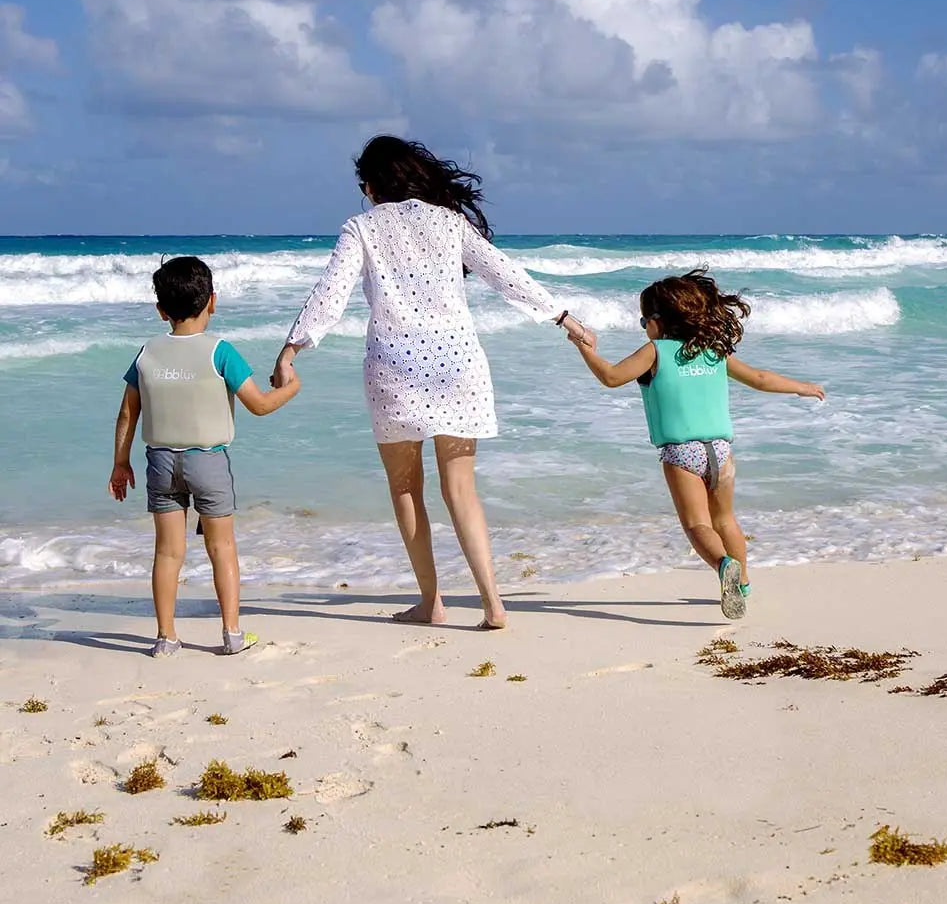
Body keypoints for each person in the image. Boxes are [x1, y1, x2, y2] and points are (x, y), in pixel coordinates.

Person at [271, 135, 590, 630]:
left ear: (374, 185)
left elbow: (329, 295)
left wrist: (293, 347)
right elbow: (504, 274)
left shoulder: (362, 228)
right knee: (461, 490)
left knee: (405, 489)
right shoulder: (449, 221)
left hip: (393, 370)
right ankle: (492, 604)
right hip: (458, 365)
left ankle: (431, 603)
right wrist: (562, 316)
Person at [568, 268, 824, 619]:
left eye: (644, 320)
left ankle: (723, 566)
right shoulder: (713, 351)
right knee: (725, 519)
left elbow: (611, 377)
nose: (644, 327)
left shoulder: (655, 351)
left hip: (680, 452)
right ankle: (743, 583)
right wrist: (802, 386)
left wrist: (586, 349)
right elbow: (761, 379)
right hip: (721, 451)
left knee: (697, 525)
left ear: (658, 321)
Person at [108, 256, 301, 657]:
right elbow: (260, 405)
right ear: (212, 301)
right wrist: (292, 387)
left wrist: (120, 462)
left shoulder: (146, 353)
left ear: (161, 309)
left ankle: (166, 638)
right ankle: (231, 634)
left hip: (159, 461)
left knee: (167, 552)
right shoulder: (221, 352)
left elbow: (129, 412)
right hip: (208, 461)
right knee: (222, 547)